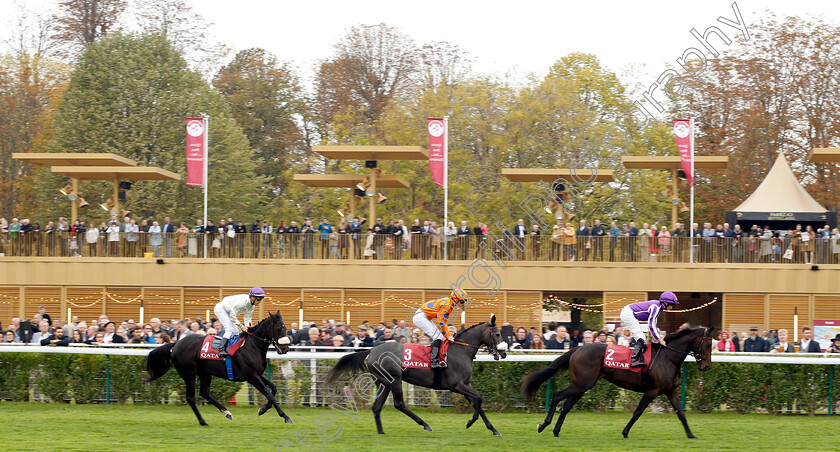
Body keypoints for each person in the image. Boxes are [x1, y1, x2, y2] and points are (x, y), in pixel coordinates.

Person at [412, 289, 469, 369]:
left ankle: (432, 357)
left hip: (424, 316)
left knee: (440, 337)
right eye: (462, 301)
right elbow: (441, 322)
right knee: (438, 337)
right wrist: (448, 336)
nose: (463, 304)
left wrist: (447, 335)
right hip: (421, 317)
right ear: (455, 299)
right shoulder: (448, 305)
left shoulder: (449, 304)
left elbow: (443, 322)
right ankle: (433, 362)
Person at [620, 291, 679, 367]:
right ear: (665, 303)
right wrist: (659, 339)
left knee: (642, 338)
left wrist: (658, 337)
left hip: (628, 312)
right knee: (640, 337)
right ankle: (633, 360)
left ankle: (640, 359)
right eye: (671, 305)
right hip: (627, 313)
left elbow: (654, 324)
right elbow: (651, 325)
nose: (671, 308)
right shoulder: (656, 307)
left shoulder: (658, 307)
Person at [213, 287, 266, 357]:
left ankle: (230, 349)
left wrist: (248, 327)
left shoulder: (252, 305)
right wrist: (241, 326)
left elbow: (247, 318)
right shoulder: (242, 303)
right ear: (252, 298)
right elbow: (232, 316)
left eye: (261, 298)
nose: (260, 301)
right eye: (259, 298)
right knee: (229, 329)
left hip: (229, 310)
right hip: (221, 309)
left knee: (235, 331)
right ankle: (221, 350)